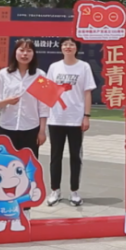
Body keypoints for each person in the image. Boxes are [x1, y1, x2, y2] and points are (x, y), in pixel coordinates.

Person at [46, 37, 95, 207]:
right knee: (55, 156)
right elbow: (48, 91)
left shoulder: (84, 67)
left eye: (71, 44)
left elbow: (87, 93)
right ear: (61, 48)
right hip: (56, 118)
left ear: (76, 48)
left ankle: (74, 191)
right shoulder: (54, 67)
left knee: (75, 156)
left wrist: (86, 116)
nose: (68, 47)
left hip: (75, 119)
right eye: (65, 44)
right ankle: (55, 190)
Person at [0, 39, 48, 159]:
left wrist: (42, 131)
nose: (25, 54)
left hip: (30, 128)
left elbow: (44, 106)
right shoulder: (4, 74)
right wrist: (6, 101)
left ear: (33, 54)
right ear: (15, 52)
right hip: (7, 126)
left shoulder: (40, 75)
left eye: (29, 51)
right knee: (5, 163)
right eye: (21, 50)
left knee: (28, 164)